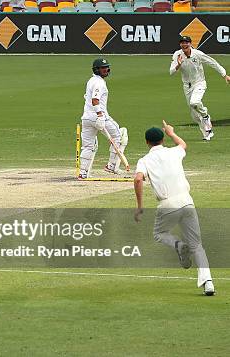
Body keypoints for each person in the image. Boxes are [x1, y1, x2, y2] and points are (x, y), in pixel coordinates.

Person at [134, 121, 214, 296]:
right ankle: (208, 283)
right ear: (163, 139)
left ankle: (178, 245)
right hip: (187, 201)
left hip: (167, 204)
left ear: (147, 142)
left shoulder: (144, 160)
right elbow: (183, 145)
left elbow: (138, 179)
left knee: (159, 234)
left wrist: (140, 206)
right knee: (197, 245)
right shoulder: (174, 152)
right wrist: (171, 132)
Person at [170, 35, 230, 141]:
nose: (184, 44)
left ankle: (206, 116)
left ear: (190, 44)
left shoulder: (197, 54)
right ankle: (207, 133)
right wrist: (178, 65)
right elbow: (171, 72)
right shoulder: (177, 55)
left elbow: (213, 63)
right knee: (194, 115)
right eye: (182, 43)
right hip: (187, 86)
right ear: (180, 44)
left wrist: (224, 75)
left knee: (195, 102)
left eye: (186, 42)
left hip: (199, 83)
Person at [78, 58, 128, 179]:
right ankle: (111, 165)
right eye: (103, 68)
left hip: (87, 118)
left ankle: (83, 172)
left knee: (88, 146)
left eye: (107, 67)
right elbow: (95, 100)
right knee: (120, 136)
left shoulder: (91, 80)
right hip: (99, 117)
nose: (106, 69)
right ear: (96, 69)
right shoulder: (99, 83)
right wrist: (100, 115)